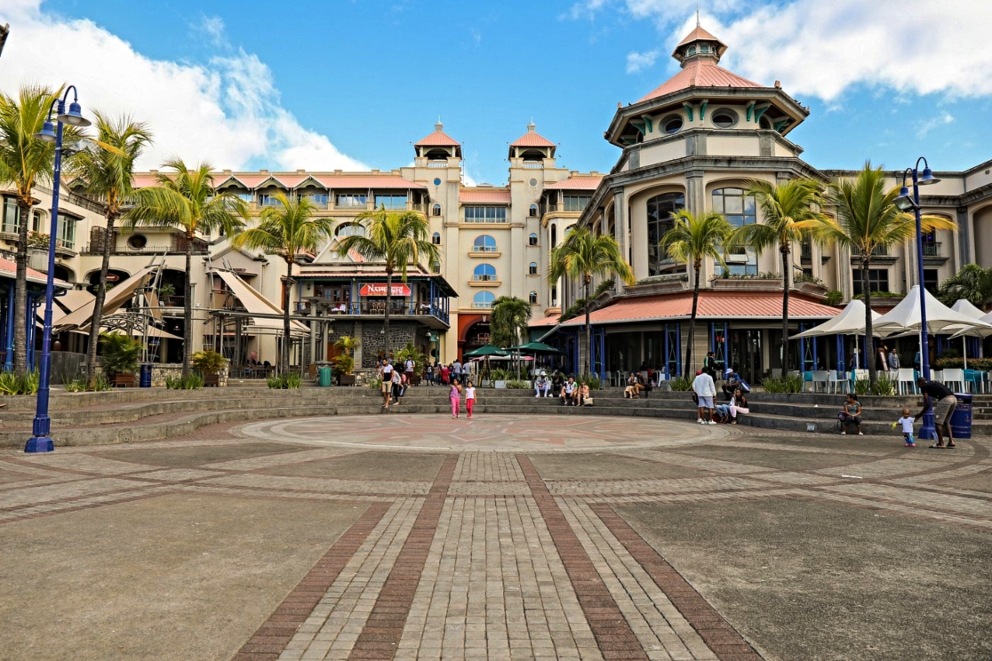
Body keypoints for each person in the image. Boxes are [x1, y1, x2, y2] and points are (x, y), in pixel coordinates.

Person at [915, 377, 957, 449]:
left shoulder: (924, 387)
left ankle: (941, 443)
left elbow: (927, 403)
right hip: (954, 399)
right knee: (946, 421)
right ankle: (951, 441)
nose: (919, 387)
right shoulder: (933, 383)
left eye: (918, 384)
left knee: (938, 423)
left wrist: (920, 414)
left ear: (920, 383)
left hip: (945, 400)